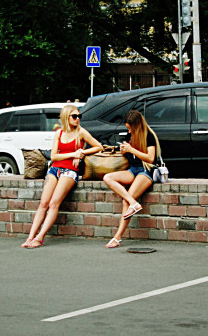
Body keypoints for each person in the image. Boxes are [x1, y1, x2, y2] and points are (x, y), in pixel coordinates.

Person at [22, 105, 103, 249]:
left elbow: (99, 147)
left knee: (54, 203)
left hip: (70, 171)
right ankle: (30, 237)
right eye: (74, 116)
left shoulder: (81, 132)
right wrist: (73, 154)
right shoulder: (59, 133)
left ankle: (39, 238)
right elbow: (54, 156)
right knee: (43, 203)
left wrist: (82, 153)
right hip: (54, 169)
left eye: (79, 116)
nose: (77, 119)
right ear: (66, 117)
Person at [102, 110, 159, 249]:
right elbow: (129, 156)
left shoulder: (149, 135)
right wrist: (124, 150)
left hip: (146, 171)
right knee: (108, 177)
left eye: (130, 128)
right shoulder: (130, 135)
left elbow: (150, 158)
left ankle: (117, 237)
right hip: (133, 170)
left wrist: (131, 150)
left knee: (125, 201)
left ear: (136, 125)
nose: (128, 131)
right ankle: (134, 203)